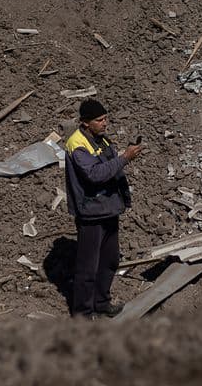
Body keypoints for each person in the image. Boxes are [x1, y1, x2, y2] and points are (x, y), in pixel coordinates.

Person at [64, 98, 143, 318]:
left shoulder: (101, 139)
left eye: (106, 118)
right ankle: (82, 313)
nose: (105, 123)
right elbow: (94, 174)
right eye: (99, 120)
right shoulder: (77, 144)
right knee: (87, 268)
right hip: (91, 214)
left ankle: (101, 302)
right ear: (85, 122)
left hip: (108, 209)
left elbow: (110, 166)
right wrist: (125, 158)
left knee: (109, 261)